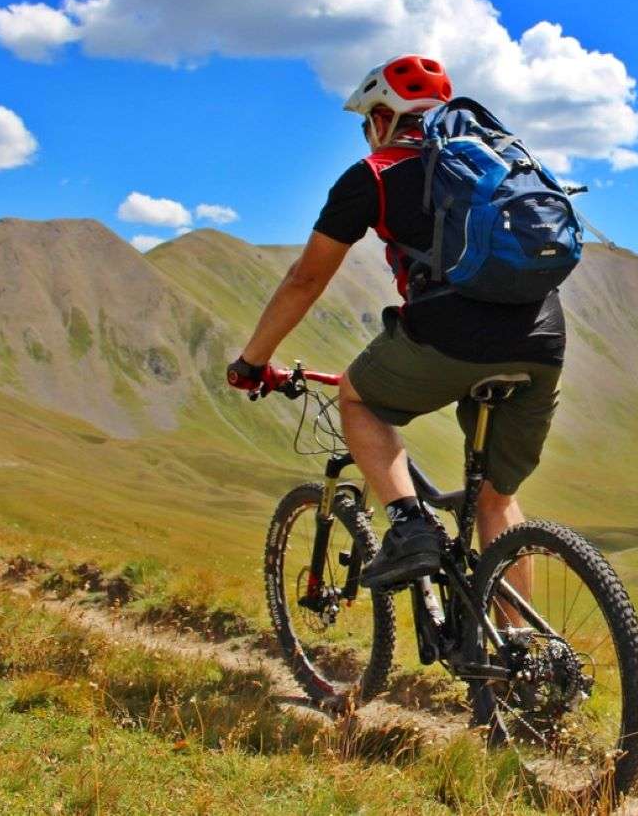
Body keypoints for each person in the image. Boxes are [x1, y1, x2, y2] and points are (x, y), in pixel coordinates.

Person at [226, 55, 565, 589]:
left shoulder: (374, 174)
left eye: (367, 123)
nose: (367, 135)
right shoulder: (501, 164)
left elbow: (305, 280)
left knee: (357, 399)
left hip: (450, 334)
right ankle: (519, 656)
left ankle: (410, 528)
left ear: (383, 117)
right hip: (542, 339)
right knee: (497, 502)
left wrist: (253, 361)